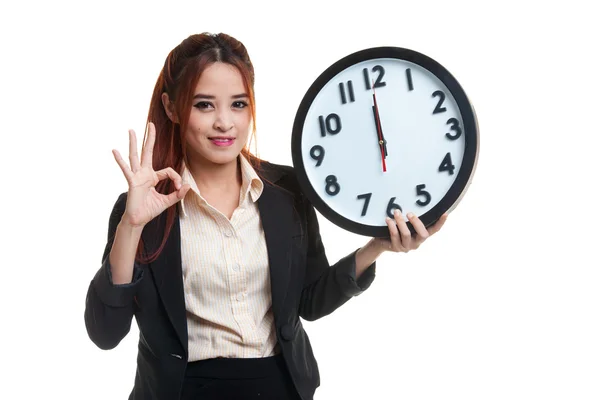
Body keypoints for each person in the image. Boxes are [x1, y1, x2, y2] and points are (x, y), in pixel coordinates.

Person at [84, 32, 447, 400]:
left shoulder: (288, 190)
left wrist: (376, 247)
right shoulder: (143, 208)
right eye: (204, 105)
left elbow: (309, 301)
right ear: (172, 108)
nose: (225, 122)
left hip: (279, 388)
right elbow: (105, 333)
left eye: (238, 104)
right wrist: (131, 227)